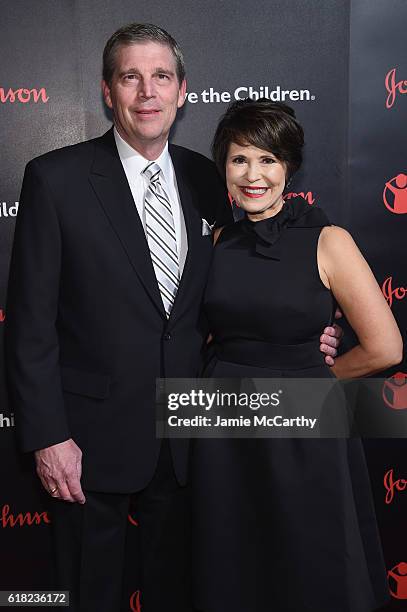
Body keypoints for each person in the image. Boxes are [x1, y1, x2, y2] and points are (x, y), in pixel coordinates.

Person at [5, 24, 340, 612]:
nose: (147, 92)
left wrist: (306, 334)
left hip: (194, 437)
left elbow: (246, 278)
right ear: (108, 91)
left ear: (183, 91)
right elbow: (29, 324)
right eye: (130, 77)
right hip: (88, 439)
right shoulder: (54, 179)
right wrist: (48, 435)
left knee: (184, 591)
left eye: (161, 76)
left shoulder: (211, 178)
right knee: (87, 593)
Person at [192, 99, 402, 612]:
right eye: (240, 159)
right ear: (224, 167)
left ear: (289, 167)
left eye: (268, 160)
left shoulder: (328, 240)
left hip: (304, 429)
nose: (253, 174)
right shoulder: (218, 239)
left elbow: (386, 347)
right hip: (224, 426)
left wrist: (317, 381)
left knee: (309, 563)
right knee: (233, 561)